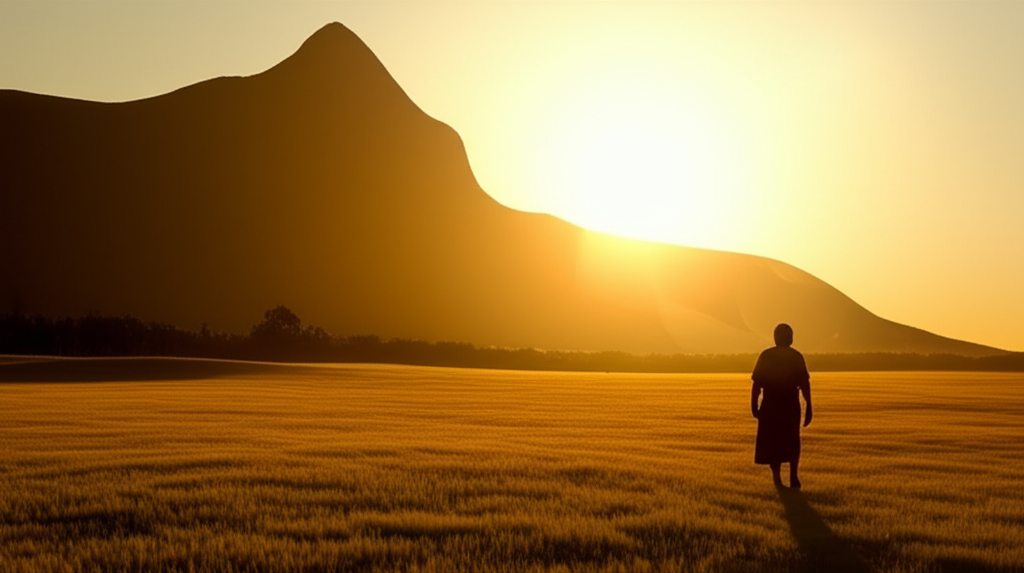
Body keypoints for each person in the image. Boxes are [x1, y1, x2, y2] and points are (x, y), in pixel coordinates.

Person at [751, 323, 812, 489]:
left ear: (775, 338)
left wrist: (754, 405)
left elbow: (756, 384)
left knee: (773, 441)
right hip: (790, 404)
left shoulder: (766, 356)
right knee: (792, 440)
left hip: (770, 404)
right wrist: (809, 407)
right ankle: (793, 476)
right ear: (790, 338)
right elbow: (805, 385)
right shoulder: (796, 356)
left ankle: (777, 478)